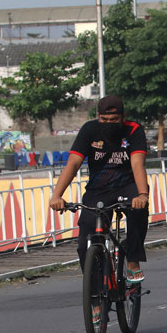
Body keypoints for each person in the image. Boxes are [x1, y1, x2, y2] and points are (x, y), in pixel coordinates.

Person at [49, 94, 151, 289]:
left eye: (114, 119)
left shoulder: (134, 130)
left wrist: (142, 195)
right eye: (104, 119)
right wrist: (57, 195)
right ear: (98, 117)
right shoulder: (90, 130)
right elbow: (73, 163)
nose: (108, 123)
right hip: (98, 189)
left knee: (138, 211)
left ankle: (133, 260)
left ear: (123, 117)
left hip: (128, 185)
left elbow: (137, 163)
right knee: (85, 240)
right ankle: (94, 292)